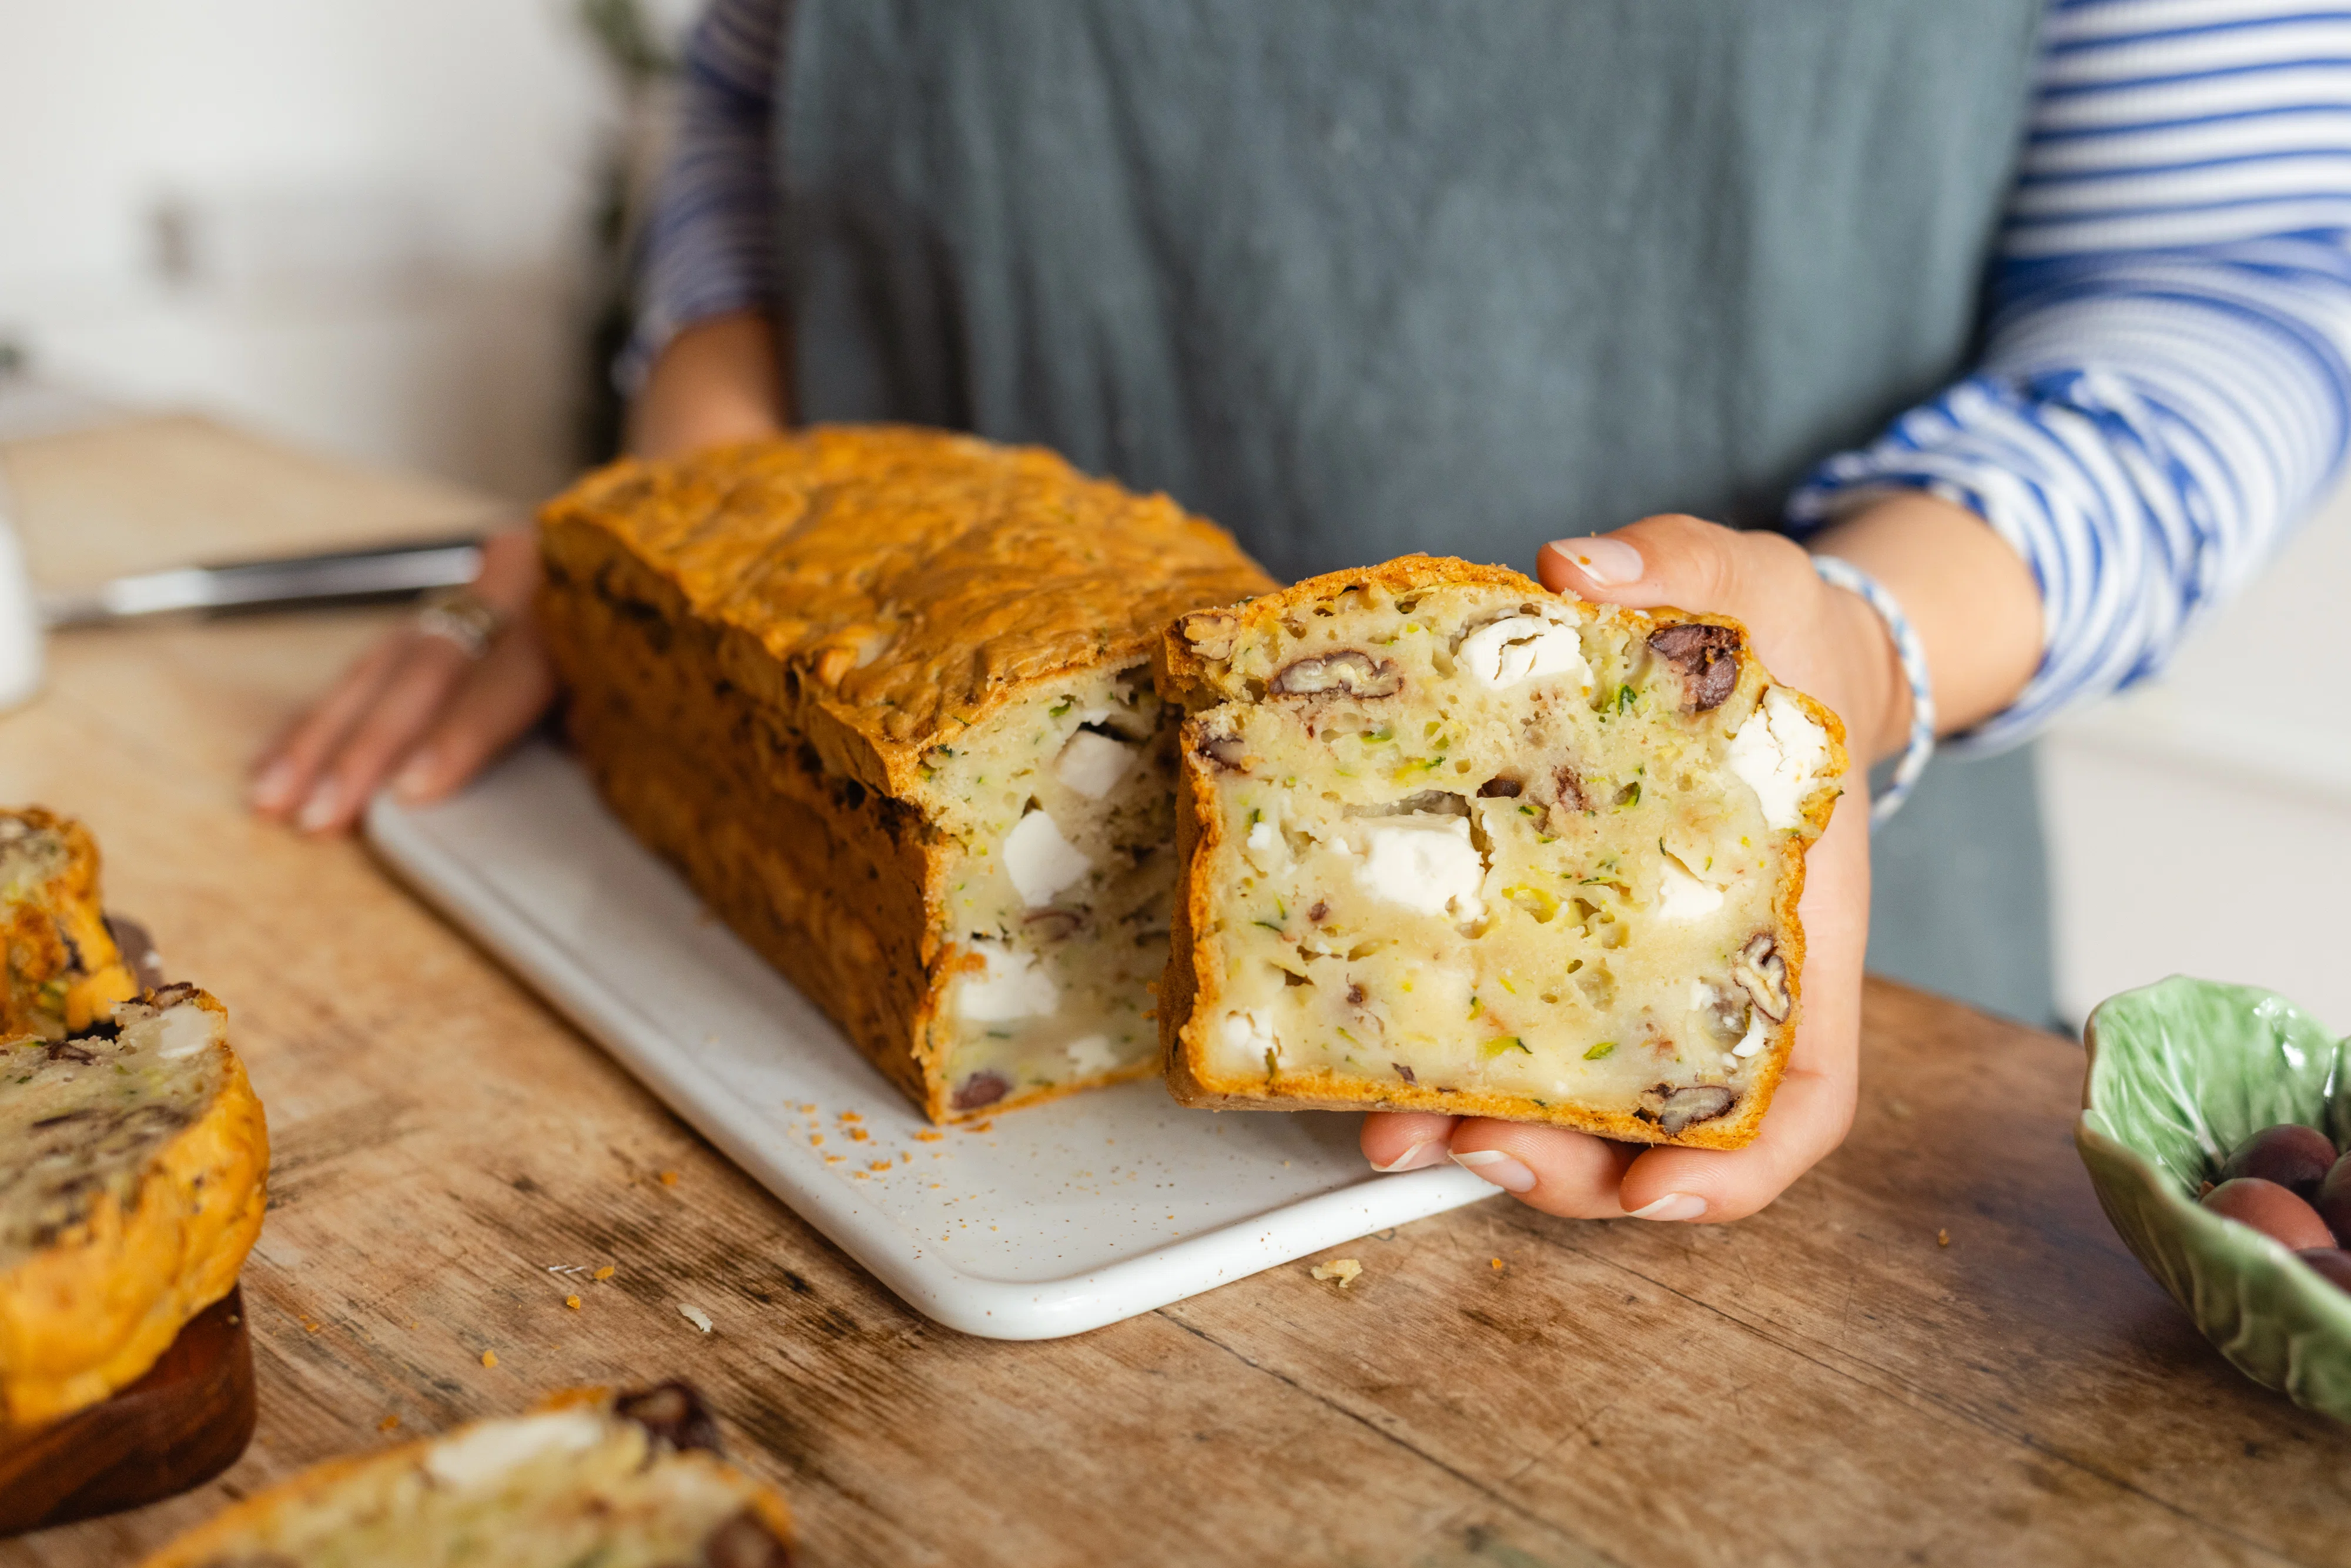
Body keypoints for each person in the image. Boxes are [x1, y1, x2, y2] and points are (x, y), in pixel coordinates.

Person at [250, 0, 2351, 1225]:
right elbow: (753, 97)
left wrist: (1859, 641)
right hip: (838, 1077)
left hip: (1771, 1036)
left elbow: (2236, 281)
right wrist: (678, 565)